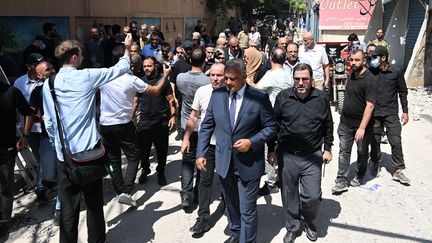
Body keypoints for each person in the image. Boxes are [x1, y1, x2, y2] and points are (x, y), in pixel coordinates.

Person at [42, 35, 133, 243]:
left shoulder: (49, 83)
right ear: (74, 57)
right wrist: (126, 48)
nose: (83, 58)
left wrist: (58, 145)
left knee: (68, 209)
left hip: (64, 156)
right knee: (93, 205)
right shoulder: (87, 76)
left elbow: (49, 122)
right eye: (81, 55)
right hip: (89, 155)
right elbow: (118, 69)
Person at [196, 58, 278, 243]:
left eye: (232, 79)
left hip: (249, 163)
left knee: (247, 209)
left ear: (244, 77)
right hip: (224, 162)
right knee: (232, 206)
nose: (228, 82)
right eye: (226, 78)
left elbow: (271, 127)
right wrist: (200, 153)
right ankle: (235, 233)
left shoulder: (259, 97)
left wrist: (252, 141)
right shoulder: (217, 95)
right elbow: (207, 125)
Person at [272, 63, 333, 243]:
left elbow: (328, 125)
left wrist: (328, 148)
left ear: (311, 80)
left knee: (312, 197)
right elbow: (274, 125)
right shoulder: (283, 97)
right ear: (293, 79)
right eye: (297, 79)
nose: (300, 82)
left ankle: (309, 220)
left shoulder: (321, 98)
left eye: (304, 79)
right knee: (289, 194)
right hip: (287, 155)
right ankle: (293, 226)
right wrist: (271, 148)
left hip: (312, 156)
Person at [183, 63, 225, 235]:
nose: (215, 78)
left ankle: (231, 209)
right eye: (212, 75)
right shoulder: (202, 91)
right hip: (207, 145)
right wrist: (186, 137)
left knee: (227, 180)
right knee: (204, 181)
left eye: (219, 75)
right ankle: (203, 218)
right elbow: (194, 116)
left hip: (226, 147)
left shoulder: (232, 92)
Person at [331, 49, 377, 194]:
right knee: (344, 152)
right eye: (352, 60)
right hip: (345, 123)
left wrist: (362, 128)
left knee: (362, 152)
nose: (354, 62)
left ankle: (360, 174)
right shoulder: (351, 75)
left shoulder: (370, 80)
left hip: (361, 126)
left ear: (364, 61)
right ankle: (341, 180)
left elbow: (370, 105)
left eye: (357, 60)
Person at [368, 46, 410, 184]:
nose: (372, 60)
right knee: (374, 141)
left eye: (375, 57)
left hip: (391, 112)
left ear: (384, 58)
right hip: (375, 113)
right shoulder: (371, 72)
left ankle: (398, 170)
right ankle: (374, 162)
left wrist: (405, 111)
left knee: (395, 141)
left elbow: (402, 92)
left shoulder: (396, 71)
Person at [0, 80, 35, 242]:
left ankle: (4, 221)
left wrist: (25, 136)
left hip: (6, 148)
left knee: (5, 186)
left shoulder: (11, 92)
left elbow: (28, 112)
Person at [176, 49, 211, 208]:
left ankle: (186, 194)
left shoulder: (180, 78)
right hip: (203, 126)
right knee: (202, 160)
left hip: (186, 125)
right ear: (204, 61)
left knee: (187, 161)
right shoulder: (208, 82)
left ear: (190, 61)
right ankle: (198, 193)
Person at [134, 57, 176, 186]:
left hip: (160, 120)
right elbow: (135, 101)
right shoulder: (140, 81)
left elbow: (171, 100)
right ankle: (145, 169)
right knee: (144, 150)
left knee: (161, 149)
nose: (146, 68)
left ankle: (161, 171)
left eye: (149, 66)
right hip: (145, 120)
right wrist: (132, 117)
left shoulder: (163, 81)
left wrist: (173, 116)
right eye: (145, 66)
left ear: (156, 66)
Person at [13, 53, 49, 202]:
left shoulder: (48, 79)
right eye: (37, 65)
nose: (42, 67)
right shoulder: (19, 84)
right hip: (31, 129)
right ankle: (44, 185)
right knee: (41, 158)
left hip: (48, 128)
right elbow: (18, 108)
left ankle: (42, 187)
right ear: (29, 67)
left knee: (47, 157)